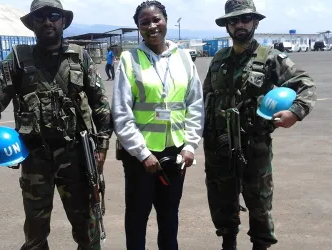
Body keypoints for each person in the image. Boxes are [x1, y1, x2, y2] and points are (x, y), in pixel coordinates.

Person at [0, 0, 113, 249]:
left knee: (87, 230)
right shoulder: (18, 58)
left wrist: (101, 147)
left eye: (53, 15)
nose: (47, 21)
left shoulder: (80, 57)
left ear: (63, 21)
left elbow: (100, 106)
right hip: (34, 156)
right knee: (35, 233)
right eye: (40, 17)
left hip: (76, 156)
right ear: (33, 24)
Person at [202, 0, 317, 250]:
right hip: (219, 147)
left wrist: (295, 112)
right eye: (234, 21)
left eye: (245, 19)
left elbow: (305, 84)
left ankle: (260, 245)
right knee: (222, 200)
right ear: (227, 27)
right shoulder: (218, 59)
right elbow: (205, 99)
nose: (239, 25)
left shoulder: (269, 58)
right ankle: (228, 243)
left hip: (254, 146)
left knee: (259, 203)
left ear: (255, 22)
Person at [111, 1, 204, 249]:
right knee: (137, 219)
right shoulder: (129, 60)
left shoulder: (183, 57)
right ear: (139, 28)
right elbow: (121, 112)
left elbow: (195, 105)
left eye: (156, 20)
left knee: (169, 218)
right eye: (145, 22)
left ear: (165, 20)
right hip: (141, 158)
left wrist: (190, 146)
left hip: (175, 154)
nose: (152, 26)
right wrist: (143, 153)